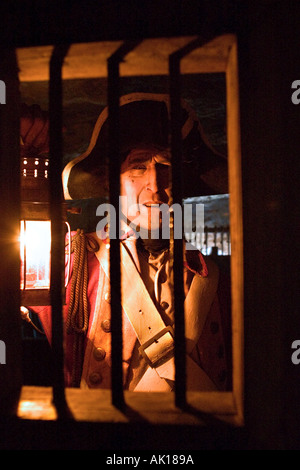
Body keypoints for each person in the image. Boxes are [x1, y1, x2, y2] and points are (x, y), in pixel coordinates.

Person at [32, 93, 231, 392]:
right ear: (111, 181)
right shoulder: (71, 262)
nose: (155, 184)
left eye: (167, 166)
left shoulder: (216, 278)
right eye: (138, 166)